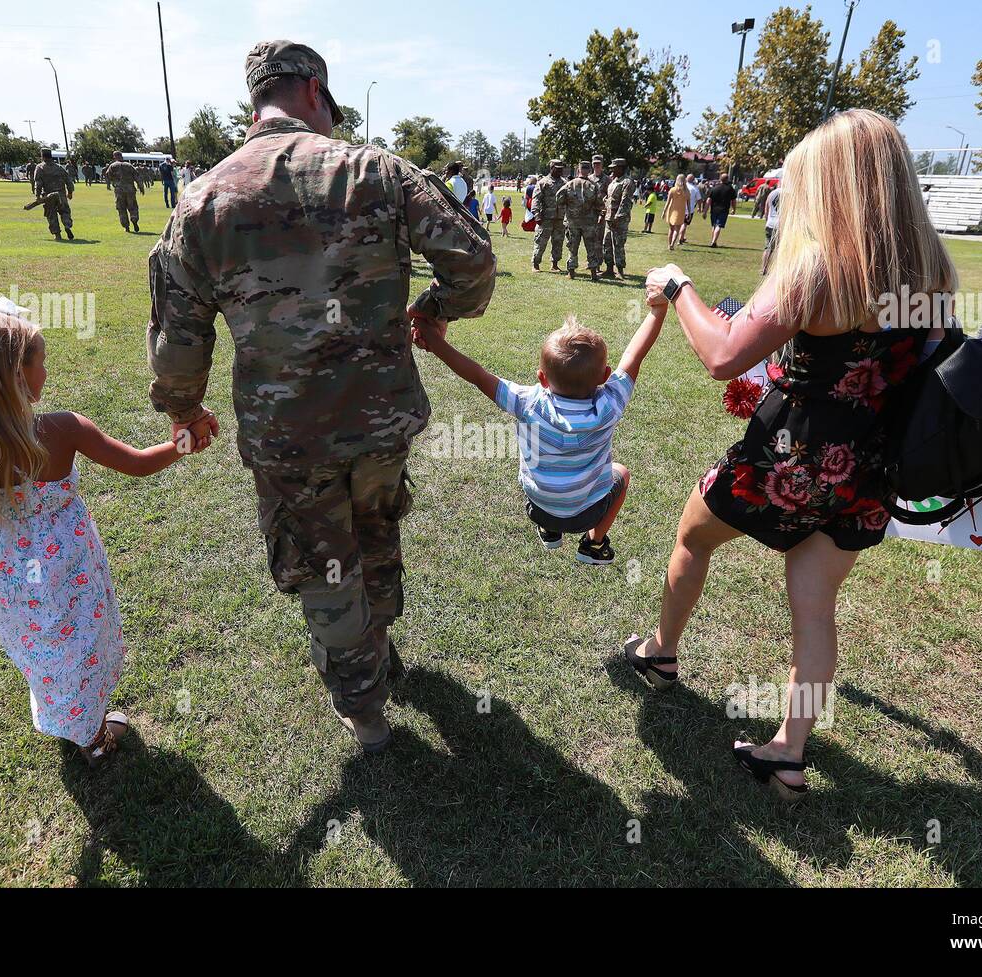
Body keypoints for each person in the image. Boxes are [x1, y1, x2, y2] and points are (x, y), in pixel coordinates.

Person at [148, 39, 496, 754]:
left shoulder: (202, 199)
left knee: (323, 561)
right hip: (380, 419)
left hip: (288, 435)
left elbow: (178, 336)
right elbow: (475, 263)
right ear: (312, 91)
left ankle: (365, 709)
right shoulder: (378, 170)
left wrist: (184, 409)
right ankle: (379, 654)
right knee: (374, 530)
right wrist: (433, 310)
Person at [625, 108, 955, 802]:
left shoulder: (817, 267)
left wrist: (678, 286)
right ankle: (788, 752)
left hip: (789, 461)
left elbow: (721, 354)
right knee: (815, 609)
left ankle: (660, 653)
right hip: (867, 471)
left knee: (692, 536)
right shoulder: (932, 271)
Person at [0, 301, 217, 768]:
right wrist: (187, 440)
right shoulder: (61, 429)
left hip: (0, 571)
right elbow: (139, 464)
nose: (46, 369)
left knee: (40, 646)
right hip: (65, 566)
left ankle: (67, 715)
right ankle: (93, 738)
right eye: (40, 360)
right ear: (16, 376)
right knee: (79, 643)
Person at [414, 307, 664, 565]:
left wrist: (434, 341)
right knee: (621, 472)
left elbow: (477, 376)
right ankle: (594, 543)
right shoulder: (609, 405)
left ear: (542, 378)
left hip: (539, 508)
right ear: (604, 376)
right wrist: (658, 309)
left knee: (546, 471)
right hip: (587, 515)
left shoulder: (529, 402)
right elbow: (635, 354)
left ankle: (550, 530)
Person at [556, 160, 601, 280]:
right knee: (590, 247)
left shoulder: (570, 184)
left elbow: (559, 198)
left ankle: (571, 272)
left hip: (573, 221)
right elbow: (600, 204)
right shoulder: (593, 186)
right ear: (589, 171)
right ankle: (593, 274)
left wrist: (568, 206)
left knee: (572, 247)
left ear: (578, 170)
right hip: (589, 223)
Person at [32, 148, 75, 241]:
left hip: (49, 196)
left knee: (51, 214)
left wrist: (37, 196)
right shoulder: (59, 167)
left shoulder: (40, 167)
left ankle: (57, 235)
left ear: (42, 156)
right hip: (61, 194)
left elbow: (38, 183)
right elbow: (68, 180)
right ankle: (67, 226)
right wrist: (70, 192)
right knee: (65, 211)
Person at [602, 158, 634, 280]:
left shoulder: (627, 182)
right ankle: (609, 269)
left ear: (621, 168)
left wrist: (617, 218)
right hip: (609, 219)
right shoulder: (613, 182)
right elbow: (609, 200)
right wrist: (604, 213)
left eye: (614, 168)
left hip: (619, 220)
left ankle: (620, 271)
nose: (612, 170)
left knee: (618, 245)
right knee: (607, 244)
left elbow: (625, 202)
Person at [531, 159, 566, 272]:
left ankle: (554, 264)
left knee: (558, 242)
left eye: (561, 169)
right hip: (545, 218)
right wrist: (536, 214)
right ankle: (535, 264)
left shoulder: (565, 183)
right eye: (558, 168)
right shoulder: (543, 182)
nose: (560, 170)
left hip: (560, 218)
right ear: (551, 168)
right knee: (540, 242)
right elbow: (536, 199)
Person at [103, 151, 144, 232]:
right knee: (133, 206)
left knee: (121, 208)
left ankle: (126, 226)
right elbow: (137, 176)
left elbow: (107, 176)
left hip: (119, 190)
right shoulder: (129, 165)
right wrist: (141, 187)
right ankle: (134, 219)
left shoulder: (112, 166)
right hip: (130, 189)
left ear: (114, 157)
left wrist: (109, 185)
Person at [703, 172, 738, 248]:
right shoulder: (730, 189)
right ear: (727, 179)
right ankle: (713, 241)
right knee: (719, 226)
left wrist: (705, 211)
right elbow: (733, 200)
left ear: (720, 179)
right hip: (723, 210)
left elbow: (708, 200)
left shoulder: (714, 188)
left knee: (714, 226)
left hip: (714, 210)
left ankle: (713, 241)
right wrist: (734, 209)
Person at [761, 183, 782, 275]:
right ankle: (777, 270)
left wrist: (767, 220)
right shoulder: (789, 194)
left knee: (768, 247)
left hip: (770, 223)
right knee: (780, 248)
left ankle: (764, 268)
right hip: (781, 224)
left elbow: (766, 209)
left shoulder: (772, 193)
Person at [664, 174, 688, 250]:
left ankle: (669, 244)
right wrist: (689, 212)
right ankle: (672, 244)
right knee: (677, 230)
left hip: (671, 210)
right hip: (681, 211)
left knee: (671, 229)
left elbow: (667, 202)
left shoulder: (673, 190)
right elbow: (689, 204)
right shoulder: (686, 191)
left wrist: (664, 211)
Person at [682, 173, 701, 243]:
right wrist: (699, 207)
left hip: (680, 208)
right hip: (689, 209)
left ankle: (680, 237)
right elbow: (699, 199)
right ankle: (681, 238)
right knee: (684, 224)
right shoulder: (695, 188)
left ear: (686, 178)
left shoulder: (681, 186)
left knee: (680, 224)